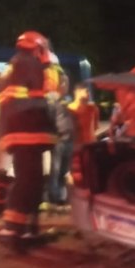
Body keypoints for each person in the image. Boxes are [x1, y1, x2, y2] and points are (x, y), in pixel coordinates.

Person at [0, 30, 59, 245]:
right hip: (27, 131)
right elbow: (41, 98)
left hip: (20, 132)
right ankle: (12, 229)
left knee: (32, 180)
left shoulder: (16, 65)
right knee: (27, 181)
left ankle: (27, 229)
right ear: (37, 48)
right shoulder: (29, 64)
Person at [46, 69, 75, 205]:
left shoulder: (68, 99)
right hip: (58, 139)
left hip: (69, 139)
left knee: (65, 169)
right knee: (56, 169)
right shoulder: (52, 99)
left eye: (68, 83)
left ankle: (62, 196)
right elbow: (49, 118)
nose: (66, 86)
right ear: (59, 84)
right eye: (64, 83)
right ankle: (53, 196)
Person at [68, 82, 100, 148]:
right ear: (78, 92)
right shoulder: (69, 109)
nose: (89, 94)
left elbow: (95, 127)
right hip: (76, 147)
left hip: (91, 145)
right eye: (86, 91)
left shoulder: (93, 108)